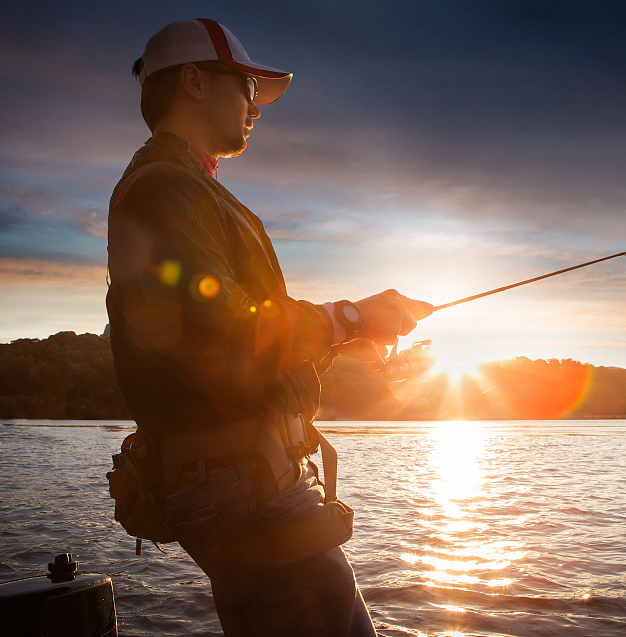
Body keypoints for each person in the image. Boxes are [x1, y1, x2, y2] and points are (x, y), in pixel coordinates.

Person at [106, 18, 432, 636]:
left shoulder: (185, 189)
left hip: (244, 477)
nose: (257, 107)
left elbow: (235, 351)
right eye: (247, 88)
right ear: (195, 82)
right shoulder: (164, 190)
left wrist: (346, 332)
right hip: (240, 483)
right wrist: (349, 316)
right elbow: (219, 331)